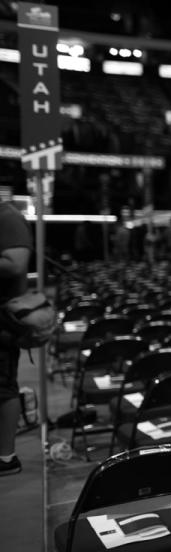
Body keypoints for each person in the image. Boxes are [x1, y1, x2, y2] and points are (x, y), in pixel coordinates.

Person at [0, 201, 32, 476]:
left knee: (3, 387)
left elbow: (16, 263)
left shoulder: (7, 217)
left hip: (3, 320)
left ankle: (6, 457)